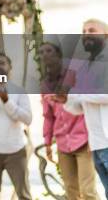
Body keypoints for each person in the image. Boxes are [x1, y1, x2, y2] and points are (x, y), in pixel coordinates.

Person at [53, 19, 108, 198]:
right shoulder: (86, 67)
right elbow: (79, 108)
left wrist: (79, 93)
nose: (86, 34)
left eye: (92, 30)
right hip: (97, 144)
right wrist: (65, 100)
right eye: (83, 31)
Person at [40, 41, 99, 200]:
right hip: (62, 144)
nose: (45, 55)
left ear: (59, 55)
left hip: (83, 141)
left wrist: (92, 136)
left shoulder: (74, 77)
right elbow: (48, 116)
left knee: (88, 191)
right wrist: (47, 143)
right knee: (71, 192)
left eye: (49, 51)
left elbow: (87, 106)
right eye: (42, 52)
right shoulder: (44, 85)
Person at [0, 53, 32, 200]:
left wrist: (7, 101)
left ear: (10, 67)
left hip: (15, 152)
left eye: (2, 63)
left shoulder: (19, 91)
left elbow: (28, 119)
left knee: (24, 195)